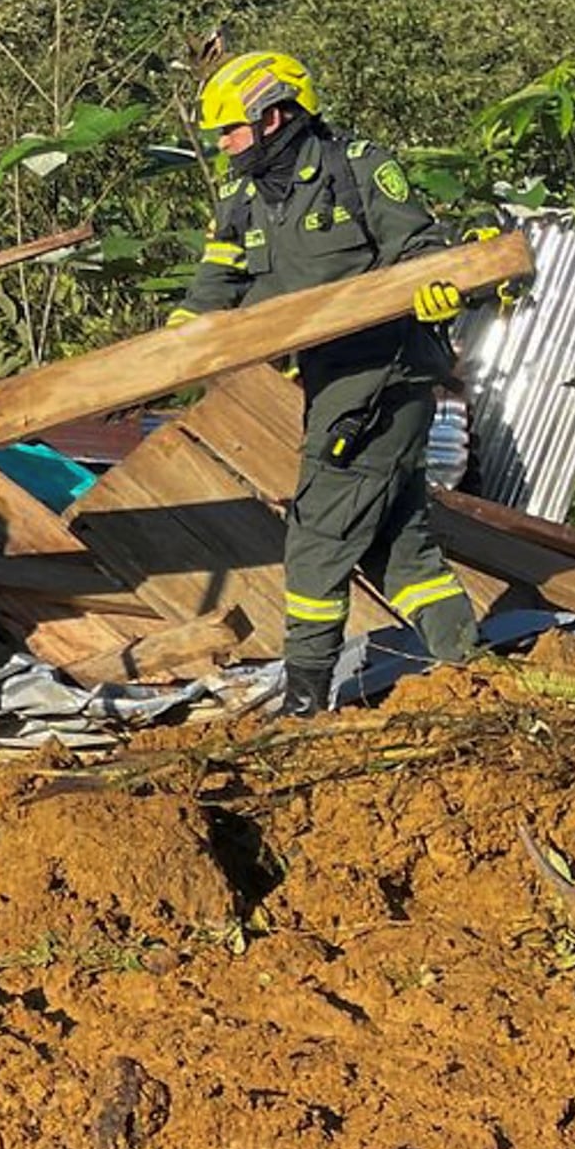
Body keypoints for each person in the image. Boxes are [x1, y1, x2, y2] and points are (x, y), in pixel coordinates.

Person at [171, 51, 485, 715]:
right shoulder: (240, 199)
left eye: (230, 131)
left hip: (384, 376)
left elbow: (422, 249)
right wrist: (167, 355)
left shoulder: (358, 166)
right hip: (325, 381)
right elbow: (212, 290)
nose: (223, 147)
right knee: (397, 546)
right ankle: (471, 673)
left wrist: (434, 289)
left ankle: (306, 701)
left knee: (315, 534)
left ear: (273, 116)